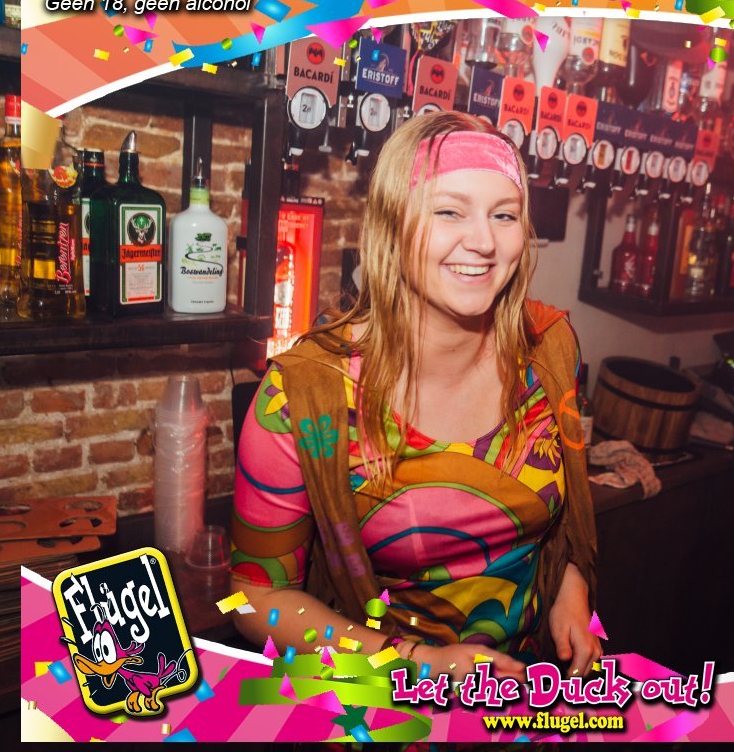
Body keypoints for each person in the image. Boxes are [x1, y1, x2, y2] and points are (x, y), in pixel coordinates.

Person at [230, 111, 602, 681]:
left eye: (504, 215)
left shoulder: (550, 351)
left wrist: (570, 589)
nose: (483, 242)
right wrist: (417, 663)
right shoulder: (304, 396)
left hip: (529, 694)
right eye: (449, 211)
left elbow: (565, 521)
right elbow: (253, 599)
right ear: (393, 224)